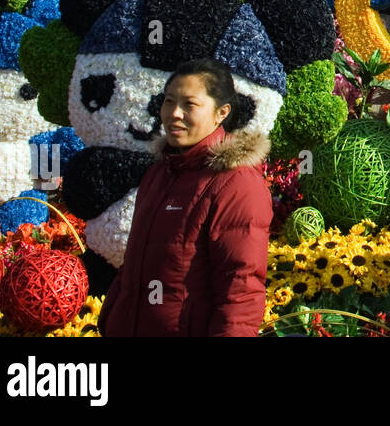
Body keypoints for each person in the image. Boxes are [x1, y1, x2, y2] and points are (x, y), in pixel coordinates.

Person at [98, 58, 272, 337]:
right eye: (169, 101)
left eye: (189, 105)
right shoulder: (158, 174)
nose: (174, 114)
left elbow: (241, 290)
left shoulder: (235, 184)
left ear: (221, 113)